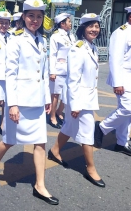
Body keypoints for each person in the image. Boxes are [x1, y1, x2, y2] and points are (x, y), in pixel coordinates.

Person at [0, 0, 59, 206]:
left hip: (37, 100)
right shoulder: (15, 40)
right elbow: (10, 74)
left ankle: (40, 185)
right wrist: (13, 105)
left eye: (39, 16)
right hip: (20, 100)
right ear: (23, 18)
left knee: (40, 143)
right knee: (9, 140)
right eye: (31, 16)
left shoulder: (43, 40)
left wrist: (47, 99)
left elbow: (43, 73)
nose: (35, 20)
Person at [49, 13, 105, 188]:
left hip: (86, 97)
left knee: (69, 126)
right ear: (83, 29)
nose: (94, 30)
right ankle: (91, 168)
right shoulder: (78, 48)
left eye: (96, 26)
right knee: (87, 133)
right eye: (90, 26)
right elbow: (73, 79)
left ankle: (55, 150)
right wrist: (75, 104)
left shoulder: (92, 47)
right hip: (79, 99)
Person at [95, 2, 131, 158]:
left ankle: (121, 143)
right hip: (124, 80)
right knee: (126, 109)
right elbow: (115, 60)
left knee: (128, 114)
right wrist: (117, 82)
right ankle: (102, 128)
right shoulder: (121, 33)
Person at [48, 12, 76, 129]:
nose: (71, 23)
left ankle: (60, 112)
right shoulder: (56, 36)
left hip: (70, 69)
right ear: (62, 23)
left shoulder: (72, 36)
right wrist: (52, 71)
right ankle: (52, 116)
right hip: (59, 70)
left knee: (66, 94)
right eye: (69, 21)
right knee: (55, 95)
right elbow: (53, 55)